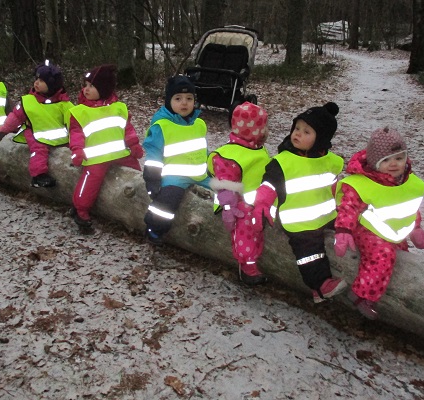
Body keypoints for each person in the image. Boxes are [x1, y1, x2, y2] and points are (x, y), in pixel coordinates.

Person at [252, 102, 347, 303]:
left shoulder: (330, 161)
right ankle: (319, 286)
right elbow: (269, 185)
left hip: (328, 215)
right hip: (299, 222)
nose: (298, 134)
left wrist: (342, 205)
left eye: (306, 131)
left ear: (321, 138)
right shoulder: (284, 162)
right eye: (297, 128)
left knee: (347, 232)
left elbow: (333, 186)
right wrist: (262, 204)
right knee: (309, 250)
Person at [334, 126, 424, 320]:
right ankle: (361, 295)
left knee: (402, 256)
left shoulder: (409, 183)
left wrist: (416, 228)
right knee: (382, 255)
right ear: (374, 162)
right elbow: (348, 207)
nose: (393, 164)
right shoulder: (363, 184)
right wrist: (343, 230)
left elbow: (410, 207)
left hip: (392, 231)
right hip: (367, 230)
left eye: (399, 158)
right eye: (385, 160)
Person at [67, 64, 143, 229]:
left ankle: (142, 201)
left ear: (104, 89)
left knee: (137, 172)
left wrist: (134, 145)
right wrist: (77, 151)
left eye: (91, 86)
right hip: (96, 158)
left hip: (120, 153)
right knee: (90, 181)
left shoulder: (119, 108)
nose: (86, 89)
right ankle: (80, 209)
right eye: (85, 85)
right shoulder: (81, 111)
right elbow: (76, 134)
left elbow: (127, 129)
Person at [208, 102, 271, 286]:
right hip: (235, 205)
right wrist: (228, 208)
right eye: (263, 127)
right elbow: (225, 186)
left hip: (257, 200)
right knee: (246, 225)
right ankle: (247, 266)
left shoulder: (256, 147)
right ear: (253, 130)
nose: (266, 131)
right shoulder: (229, 155)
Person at [143, 74, 210, 246]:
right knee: (166, 205)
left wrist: (211, 168)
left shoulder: (199, 124)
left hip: (200, 175)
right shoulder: (162, 126)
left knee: (224, 192)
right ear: (169, 101)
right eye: (178, 98)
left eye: (189, 98)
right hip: (174, 178)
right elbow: (153, 158)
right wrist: (152, 181)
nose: (184, 103)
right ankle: (154, 228)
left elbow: (203, 150)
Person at [0, 61, 73, 188]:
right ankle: (38, 176)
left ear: (52, 84)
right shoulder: (29, 101)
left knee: (70, 149)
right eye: (36, 79)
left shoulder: (64, 103)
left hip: (60, 137)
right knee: (39, 149)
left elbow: (74, 122)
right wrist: (3, 130)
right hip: (35, 133)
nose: (36, 83)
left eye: (41, 81)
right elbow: (15, 117)